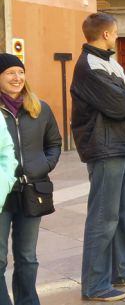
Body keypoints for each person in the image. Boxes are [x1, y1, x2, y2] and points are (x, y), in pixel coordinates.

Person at [70, 12, 125, 302]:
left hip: (123, 145)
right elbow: (123, 106)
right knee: (103, 217)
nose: (117, 36)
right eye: (115, 32)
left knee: (122, 214)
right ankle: (94, 284)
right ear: (105, 34)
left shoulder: (109, 63)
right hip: (104, 149)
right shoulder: (89, 66)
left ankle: (120, 270)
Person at [0, 54, 62, 305]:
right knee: (0, 258)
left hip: (32, 190)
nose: (17, 78)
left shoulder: (40, 108)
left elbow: (55, 143)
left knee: (27, 256)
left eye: (20, 72)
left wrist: (43, 165)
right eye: (10, 73)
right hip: (2, 192)